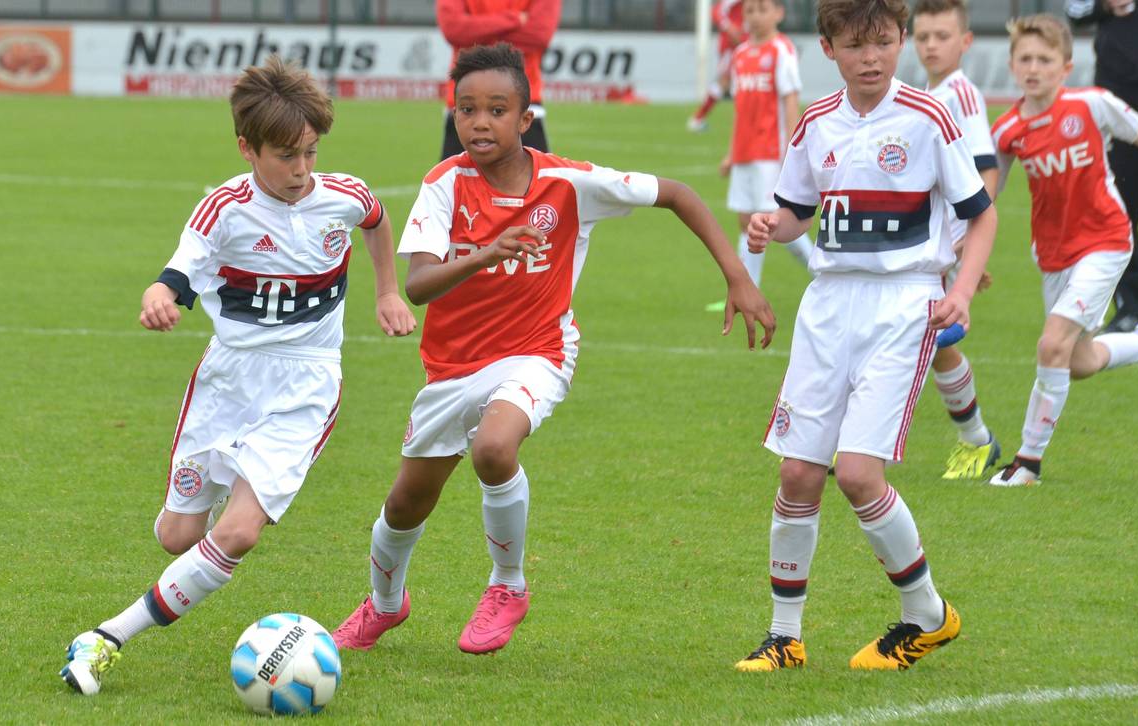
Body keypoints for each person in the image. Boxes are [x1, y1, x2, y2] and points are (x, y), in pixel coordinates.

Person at [330, 43, 775, 656]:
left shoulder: (568, 183)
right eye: (466, 110)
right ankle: (384, 605)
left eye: (496, 110)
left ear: (525, 118)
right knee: (406, 503)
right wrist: (486, 253)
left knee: (494, 448)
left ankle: (507, 586)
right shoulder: (444, 184)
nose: (479, 123)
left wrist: (738, 276)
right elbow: (420, 284)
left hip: (538, 350)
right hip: (452, 367)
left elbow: (677, 194)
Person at [57, 56, 416, 695]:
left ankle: (106, 637)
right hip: (227, 380)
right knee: (178, 537)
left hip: (307, 383)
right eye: (286, 156)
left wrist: (388, 291)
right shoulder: (224, 208)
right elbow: (177, 270)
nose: (302, 169)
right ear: (248, 148)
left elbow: (377, 219)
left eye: (311, 152)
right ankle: (222, 486)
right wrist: (158, 296)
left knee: (238, 532)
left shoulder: (343, 195)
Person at [735, 0, 996, 672]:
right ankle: (785, 638)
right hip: (827, 307)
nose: (870, 57)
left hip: (903, 304)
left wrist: (962, 290)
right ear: (828, 49)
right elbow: (797, 211)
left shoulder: (928, 117)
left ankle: (927, 615)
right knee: (797, 472)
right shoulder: (816, 123)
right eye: (854, 45)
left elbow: (981, 214)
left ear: (901, 39)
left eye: (882, 42)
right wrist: (771, 225)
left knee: (856, 474)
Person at [987, 14, 1138, 487]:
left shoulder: (1091, 105)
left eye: (1044, 59)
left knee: (1051, 344)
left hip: (1106, 241)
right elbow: (985, 198)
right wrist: (964, 255)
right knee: (1078, 361)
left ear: (1066, 67)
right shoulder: (1007, 130)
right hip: (1053, 255)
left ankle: (1027, 463)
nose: (1034, 68)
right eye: (1025, 59)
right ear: (1012, 65)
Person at [911, 0, 1002, 479]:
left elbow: (987, 168)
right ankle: (977, 439)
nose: (931, 45)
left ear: (965, 41)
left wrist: (969, 242)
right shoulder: (927, 92)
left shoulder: (961, 94)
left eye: (942, 36)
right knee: (932, 344)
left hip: (942, 245)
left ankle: (851, 445)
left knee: (912, 339)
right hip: (923, 239)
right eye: (923, 36)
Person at [708, 0, 812, 313]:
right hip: (745, 152)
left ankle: (824, 273)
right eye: (750, 10)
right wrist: (731, 153)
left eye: (763, 9)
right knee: (746, 221)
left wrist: (793, 151)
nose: (755, 16)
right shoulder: (740, 55)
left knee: (771, 221)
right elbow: (741, 110)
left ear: (779, 13)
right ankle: (746, 291)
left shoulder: (781, 50)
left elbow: (791, 102)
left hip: (770, 151)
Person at [1066, 0, 1138, 333]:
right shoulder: (1104, 12)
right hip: (1120, 124)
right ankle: (1131, 306)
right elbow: (1075, 12)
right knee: (1121, 215)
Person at [437, 0, 561, 160]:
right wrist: (513, 19)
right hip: (466, 105)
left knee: (534, 177)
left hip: (522, 104)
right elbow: (454, 30)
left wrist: (477, 34)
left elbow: (538, 35)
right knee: (455, 177)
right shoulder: (515, 19)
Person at [689, 0, 746, 132]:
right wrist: (730, 28)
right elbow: (716, 11)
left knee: (738, 82)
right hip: (731, 47)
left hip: (745, 43)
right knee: (724, 81)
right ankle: (697, 118)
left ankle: (698, 119)